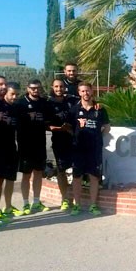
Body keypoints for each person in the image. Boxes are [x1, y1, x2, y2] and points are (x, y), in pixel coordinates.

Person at [69, 82, 110, 216]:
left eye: (87, 91)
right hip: (78, 149)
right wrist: (77, 135)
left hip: (94, 149)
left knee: (94, 177)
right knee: (77, 177)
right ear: (79, 93)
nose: (85, 93)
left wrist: (97, 136)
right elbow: (68, 127)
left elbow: (107, 127)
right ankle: (77, 205)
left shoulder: (100, 109)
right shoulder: (74, 110)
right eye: (82, 91)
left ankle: (93, 205)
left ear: (92, 91)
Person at [15, 79, 51, 215]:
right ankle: (25, 203)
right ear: (28, 88)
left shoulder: (44, 103)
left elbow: (49, 120)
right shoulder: (20, 103)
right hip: (25, 146)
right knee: (26, 175)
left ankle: (36, 202)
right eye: (33, 88)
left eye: (38, 88)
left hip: (40, 144)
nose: (36, 90)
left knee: (38, 174)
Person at [0, 75, 19, 222]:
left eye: (5, 84)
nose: (3, 87)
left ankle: (6, 207)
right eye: (0, 84)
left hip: (10, 147)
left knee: (9, 178)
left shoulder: (8, 105)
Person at [48, 78, 76, 211]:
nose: (59, 89)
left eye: (61, 86)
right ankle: (64, 199)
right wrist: (60, 129)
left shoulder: (71, 101)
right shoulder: (48, 104)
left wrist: (97, 105)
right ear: (52, 87)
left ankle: (76, 198)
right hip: (59, 142)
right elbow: (46, 125)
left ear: (65, 88)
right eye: (56, 86)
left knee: (77, 170)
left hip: (74, 141)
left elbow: (87, 103)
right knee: (61, 171)